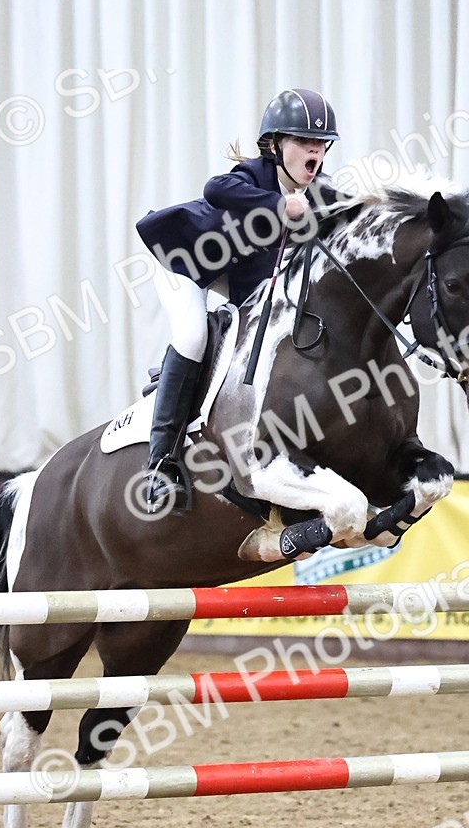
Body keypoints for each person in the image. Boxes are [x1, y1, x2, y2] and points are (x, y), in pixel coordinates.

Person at [136, 87, 341, 512]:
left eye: (321, 144)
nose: (315, 152)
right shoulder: (251, 177)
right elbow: (216, 188)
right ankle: (161, 465)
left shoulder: (319, 190)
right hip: (185, 262)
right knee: (192, 336)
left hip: (240, 276)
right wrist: (281, 205)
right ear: (275, 145)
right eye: (305, 142)